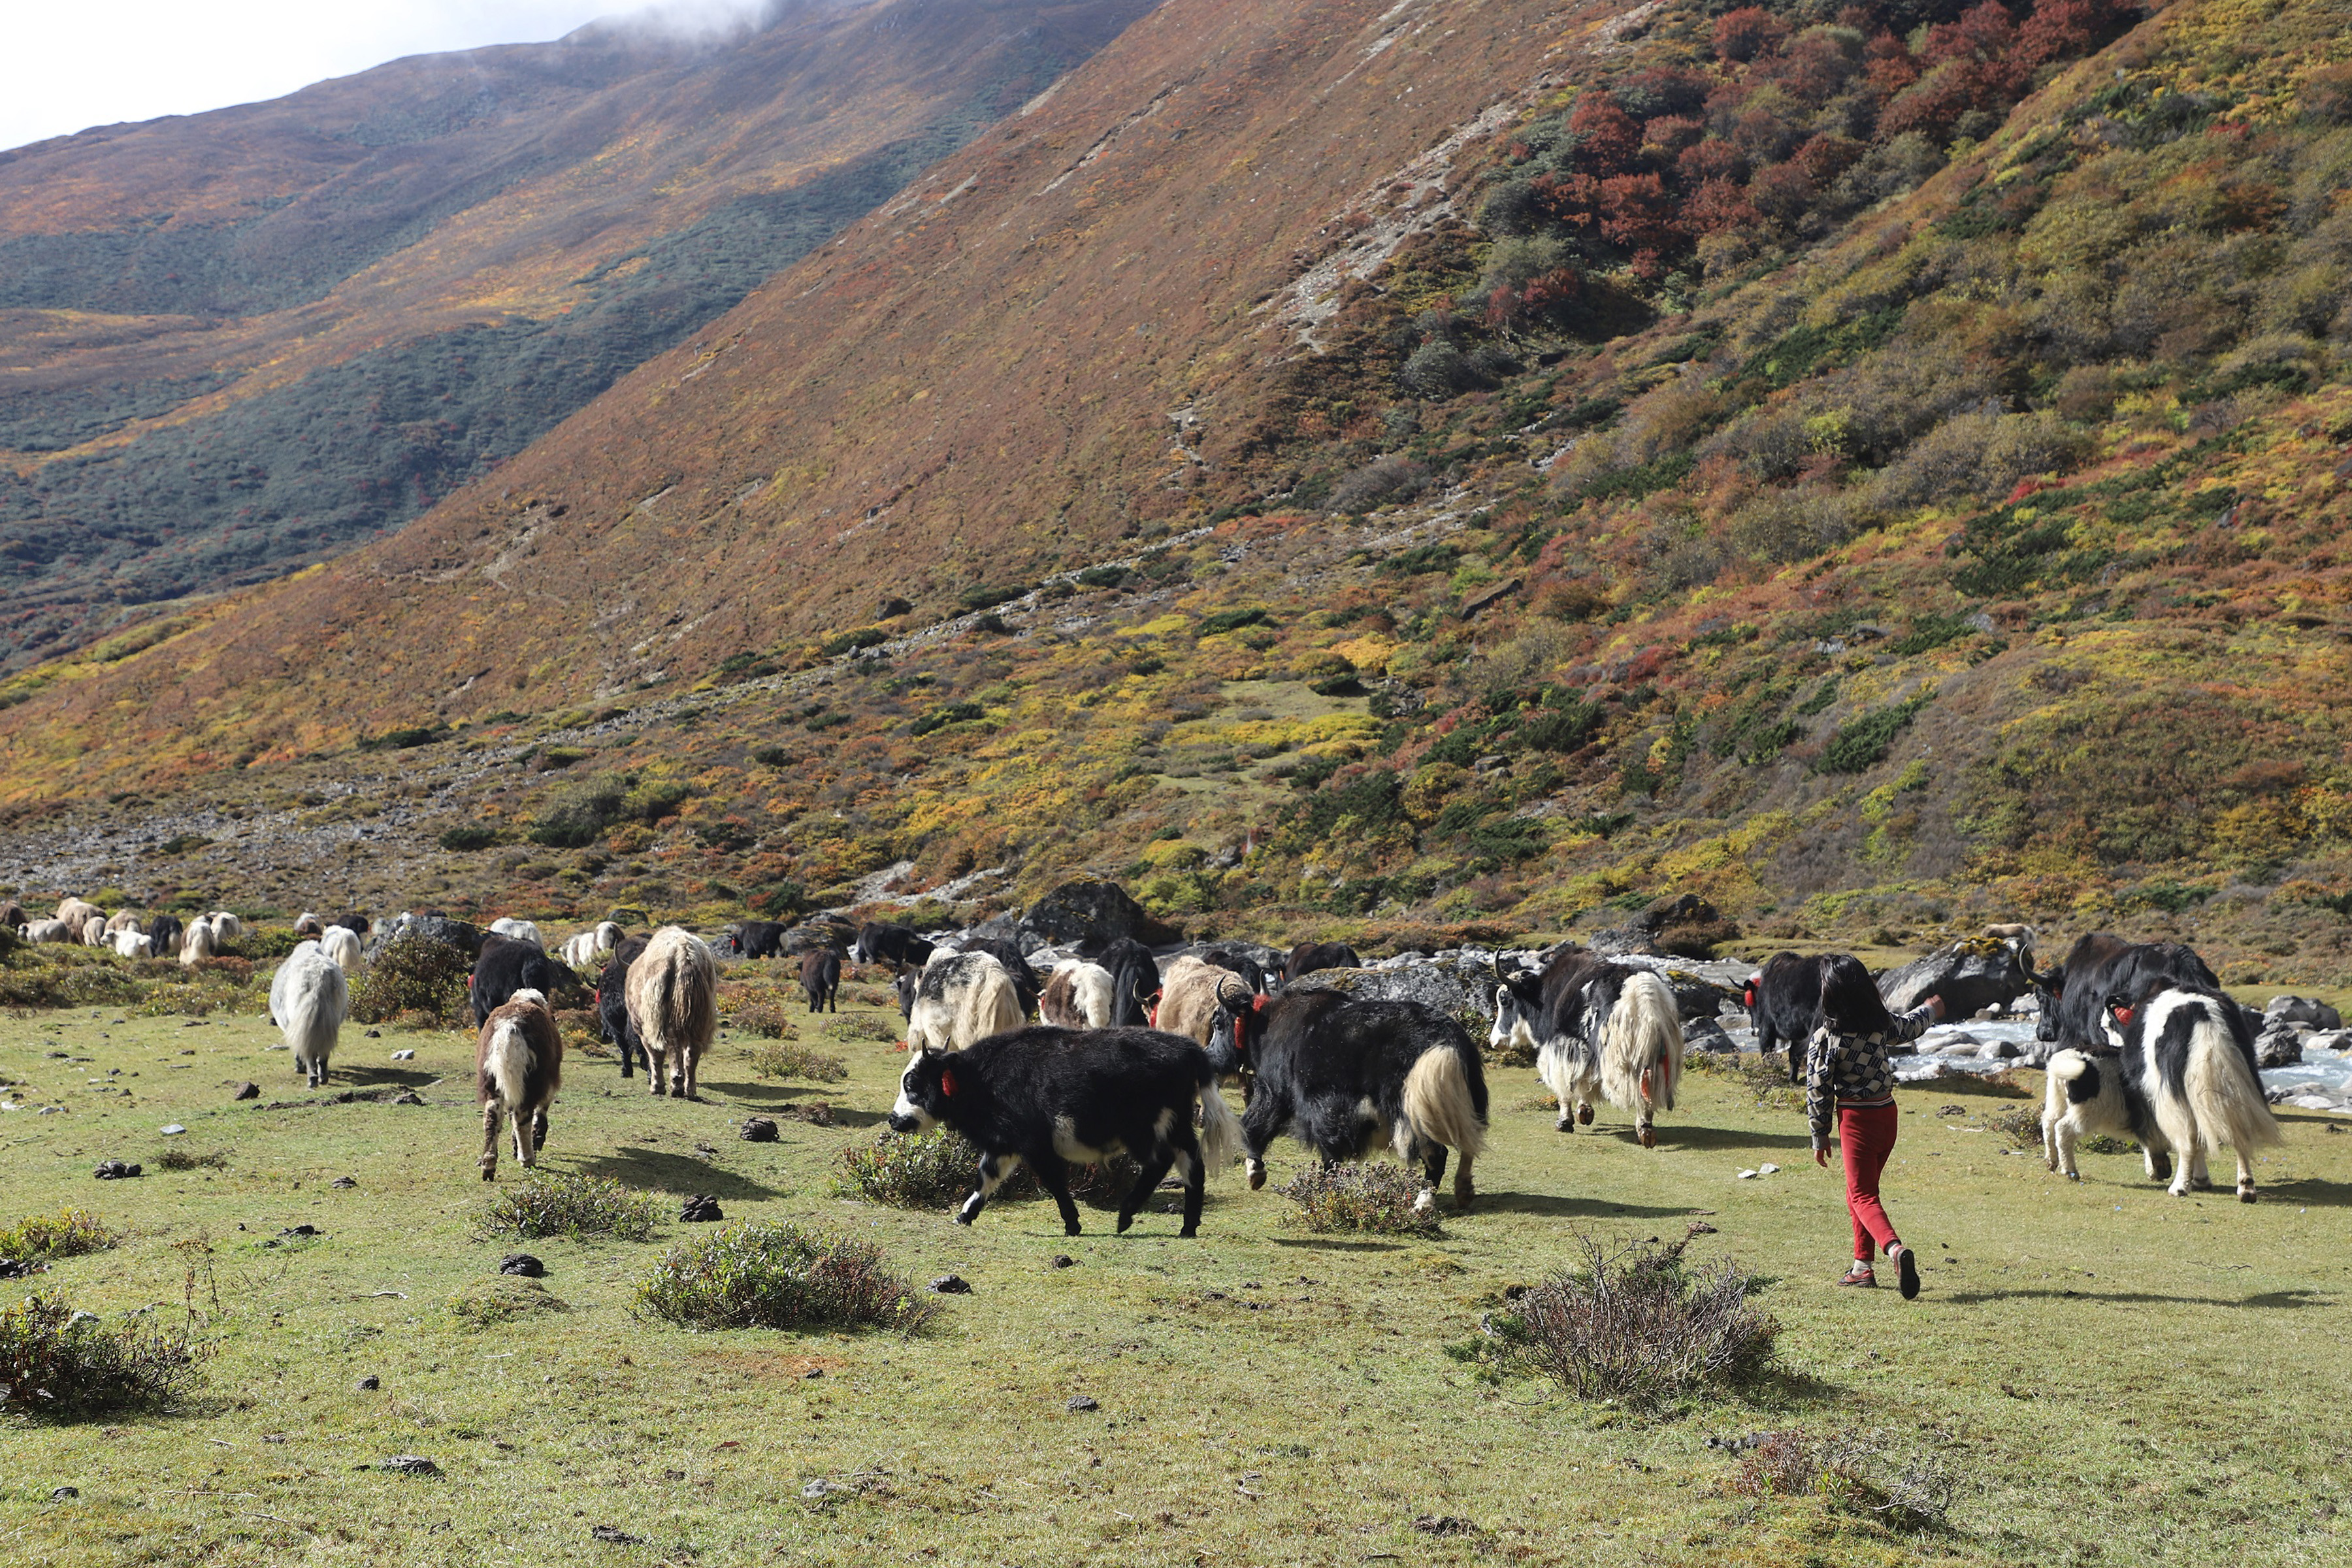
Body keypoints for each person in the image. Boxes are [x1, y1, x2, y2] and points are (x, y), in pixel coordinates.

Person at [1806, 955, 1944, 1298]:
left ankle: (1895, 1251)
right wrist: (1930, 1009)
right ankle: (1861, 1268)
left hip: (1857, 1122)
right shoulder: (1880, 1025)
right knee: (1864, 1192)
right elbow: (1910, 1026)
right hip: (1888, 1116)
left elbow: (1818, 1090)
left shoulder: (1827, 1038)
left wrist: (1819, 1134)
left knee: (1861, 1194)